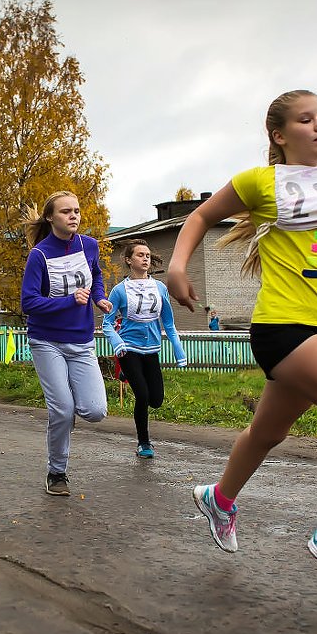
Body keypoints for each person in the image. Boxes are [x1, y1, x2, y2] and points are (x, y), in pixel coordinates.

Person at [166, 89, 317, 591]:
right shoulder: (260, 183)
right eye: (306, 120)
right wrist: (175, 265)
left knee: (267, 433)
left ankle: (219, 498)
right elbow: (200, 217)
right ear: (280, 135)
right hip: (281, 327)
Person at [20, 190, 113, 496]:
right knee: (61, 412)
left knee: (96, 411)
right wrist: (69, 301)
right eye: (65, 212)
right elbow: (29, 303)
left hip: (82, 341)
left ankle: (67, 404)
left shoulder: (89, 245)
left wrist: (99, 297)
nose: (73, 216)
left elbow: (96, 275)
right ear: (50, 217)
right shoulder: (40, 255)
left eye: (76, 210)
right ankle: (57, 472)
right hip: (47, 341)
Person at [103, 239, 187, 458]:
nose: (145, 258)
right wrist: (117, 343)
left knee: (156, 400)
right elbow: (107, 324)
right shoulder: (119, 291)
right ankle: (144, 443)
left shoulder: (160, 288)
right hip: (128, 348)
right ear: (129, 260)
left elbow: (168, 322)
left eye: (148, 255)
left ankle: (125, 375)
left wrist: (178, 348)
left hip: (151, 349)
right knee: (142, 395)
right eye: (140, 255)